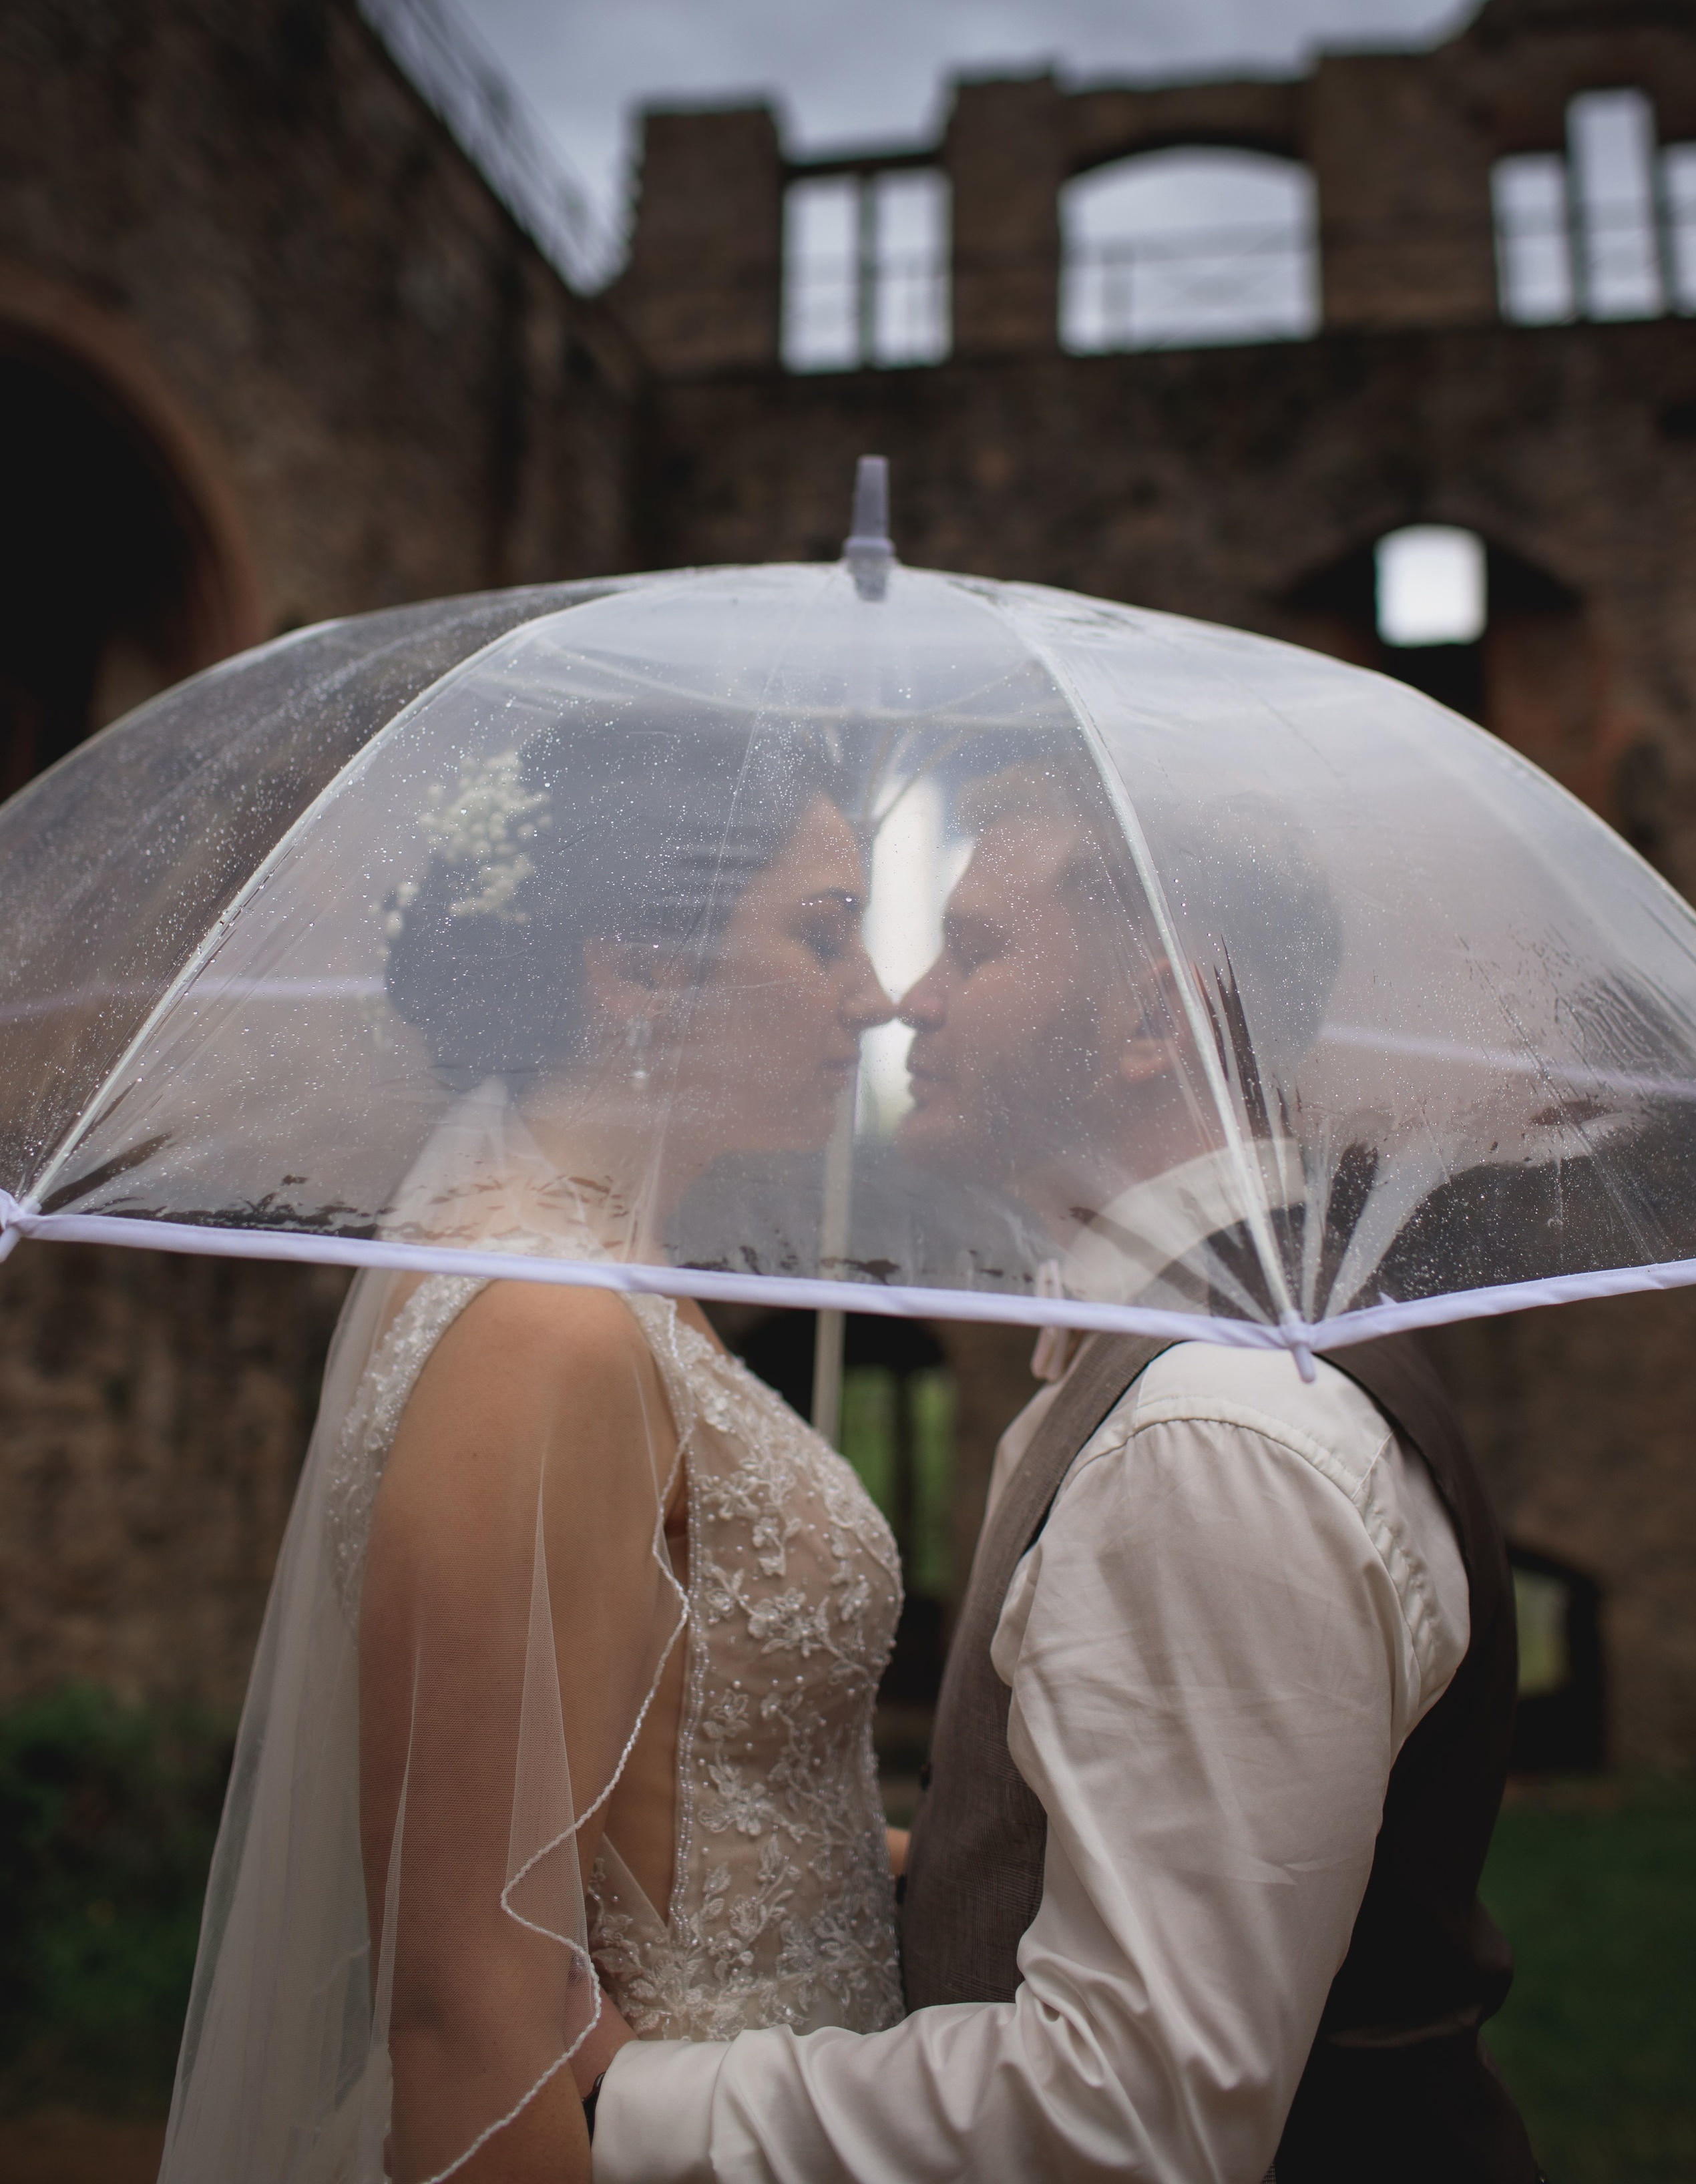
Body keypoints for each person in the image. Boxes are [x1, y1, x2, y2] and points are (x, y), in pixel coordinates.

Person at [578, 763, 1541, 2183]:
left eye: (973, 948)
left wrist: (634, 2108)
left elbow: (1128, 2115)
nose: (908, 998)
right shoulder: (1146, 1368)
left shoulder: (1212, 1440)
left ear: (1153, 1017)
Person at [159, 712, 907, 2184]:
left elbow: (691, 1799)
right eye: (823, 938)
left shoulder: (612, 1276)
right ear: (631, 965)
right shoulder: (544, 1333)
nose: (873, 998)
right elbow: (462, 2011)